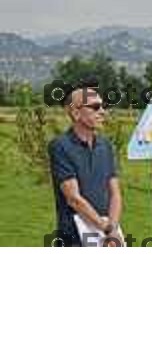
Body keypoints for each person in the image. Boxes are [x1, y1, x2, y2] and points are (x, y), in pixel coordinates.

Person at [48, 87, 124, 247]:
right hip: (74, 238)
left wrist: (113, 228)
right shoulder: (60, 146)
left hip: (108, 233)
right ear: (76, 113)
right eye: (95, 107)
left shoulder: (106, 145)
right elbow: (73, 199)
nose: (102, 112)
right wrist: (107, 229)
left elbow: (115, 193)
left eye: (103, 107)